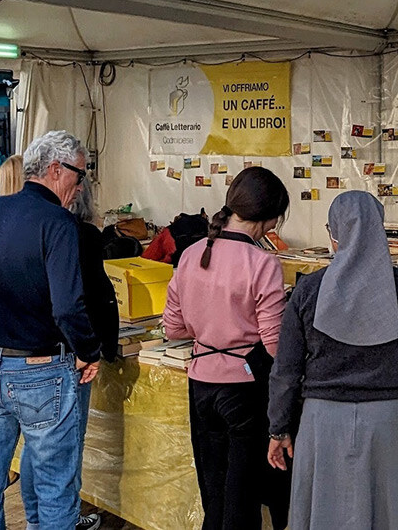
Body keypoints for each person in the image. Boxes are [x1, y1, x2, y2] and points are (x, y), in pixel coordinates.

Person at [0, 130, 102, 530]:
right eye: (79, 175)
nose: (81, 185)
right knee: (54, 487)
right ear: (55, 170)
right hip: (41, 367)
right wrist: (89, 350)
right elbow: (68, 305)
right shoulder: (58, 222)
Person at [267, 191, 398, 530]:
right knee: (391, 517)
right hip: (386, 423)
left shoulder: (308, 290)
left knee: (324, 516)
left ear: (334, 234)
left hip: (322, 423)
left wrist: (278, 429)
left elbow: (286, 370)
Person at [163, 166, 291, 530]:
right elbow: (273, 343)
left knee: (213, 489)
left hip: (200, 382)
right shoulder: (263, 262)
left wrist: (207, 325)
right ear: (271, 219)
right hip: (245, 389)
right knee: (242, 493)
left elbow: (173, 328)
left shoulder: (190, 254)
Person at [18, 182, 118, 530]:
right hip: (69, 353)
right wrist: (94, 349)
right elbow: (90, 297)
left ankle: (35, 518)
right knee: (64, 445)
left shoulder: (29, 226)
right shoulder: (82, 234)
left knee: (37, 443)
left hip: (33, 349)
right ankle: (61, 519)